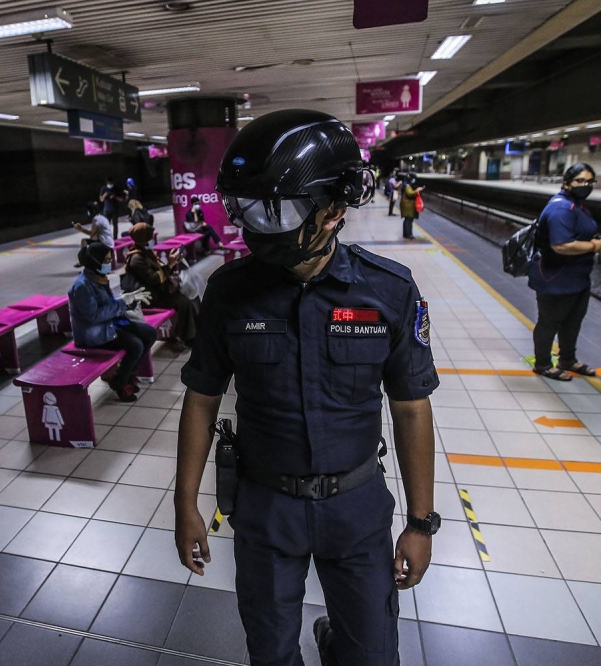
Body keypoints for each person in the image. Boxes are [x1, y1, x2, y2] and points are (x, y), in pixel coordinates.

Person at [173, 109, 440, 666]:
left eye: (278, 210)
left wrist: (420, 523)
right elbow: (200, 400)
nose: (256, 228)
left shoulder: (387, 291)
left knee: (372, 656)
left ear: (332, 210)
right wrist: (185, 502)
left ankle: (333, 642)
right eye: (247, 209)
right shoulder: (230, 293)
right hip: (265, 508)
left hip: (357, 508)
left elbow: (411, 408)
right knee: (269, 654)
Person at [528, 162, 601, 381]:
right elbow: (560, 245)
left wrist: (593, 241)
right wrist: (594, 246)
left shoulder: (576, 204)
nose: (586, 185)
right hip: (556, 278)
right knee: (549, 321)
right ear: (567, 183)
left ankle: (567, 359)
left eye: (590, 181)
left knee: (573, 321)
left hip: (577, 277)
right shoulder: (561, 208)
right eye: (580, 181)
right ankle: (543, 364)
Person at [69, 242, 157, 402]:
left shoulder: (98, 278)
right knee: (136, 345)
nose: (110, 264)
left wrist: (128, 301)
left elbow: (108, 305)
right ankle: (121, 382)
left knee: (149, 333)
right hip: (93, 334)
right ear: (95, 262)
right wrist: (122, 302)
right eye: (106, 260)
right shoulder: (82, 286)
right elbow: (93, 316)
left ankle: (127, 375)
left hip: (109, 325)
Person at [124, 222, 199, 348]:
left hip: (157, 290)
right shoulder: (136, 258)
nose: (152, 239)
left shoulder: (146, 253)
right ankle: (187, 337)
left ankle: (198, 331)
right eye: (150, 237)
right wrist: (170, 264)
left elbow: (160, 271)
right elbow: (154, 279)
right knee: (183, 302)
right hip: (148, 296)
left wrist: (173, 262)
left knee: (193, 298)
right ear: (143, 239)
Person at [72, 202, 114, 267]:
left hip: (106, 244)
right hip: (109, 242)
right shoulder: (102, 217)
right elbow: (94, 234)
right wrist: (81, 228)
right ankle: (83, 261)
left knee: (85, 242)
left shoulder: (96, 219)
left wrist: (81, 229)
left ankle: (83, 261)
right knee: (87, 241)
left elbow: (91, 234)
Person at [399, 173, 424, 240]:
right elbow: (410, 194)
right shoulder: (407, 185)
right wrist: (417, 190)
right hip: (408, 205)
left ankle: (405, 234)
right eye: (413, 178)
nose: (414, 180)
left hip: (407, 204)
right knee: (409, 219)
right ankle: (409, 235)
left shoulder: (406, 184)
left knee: (407, 219)